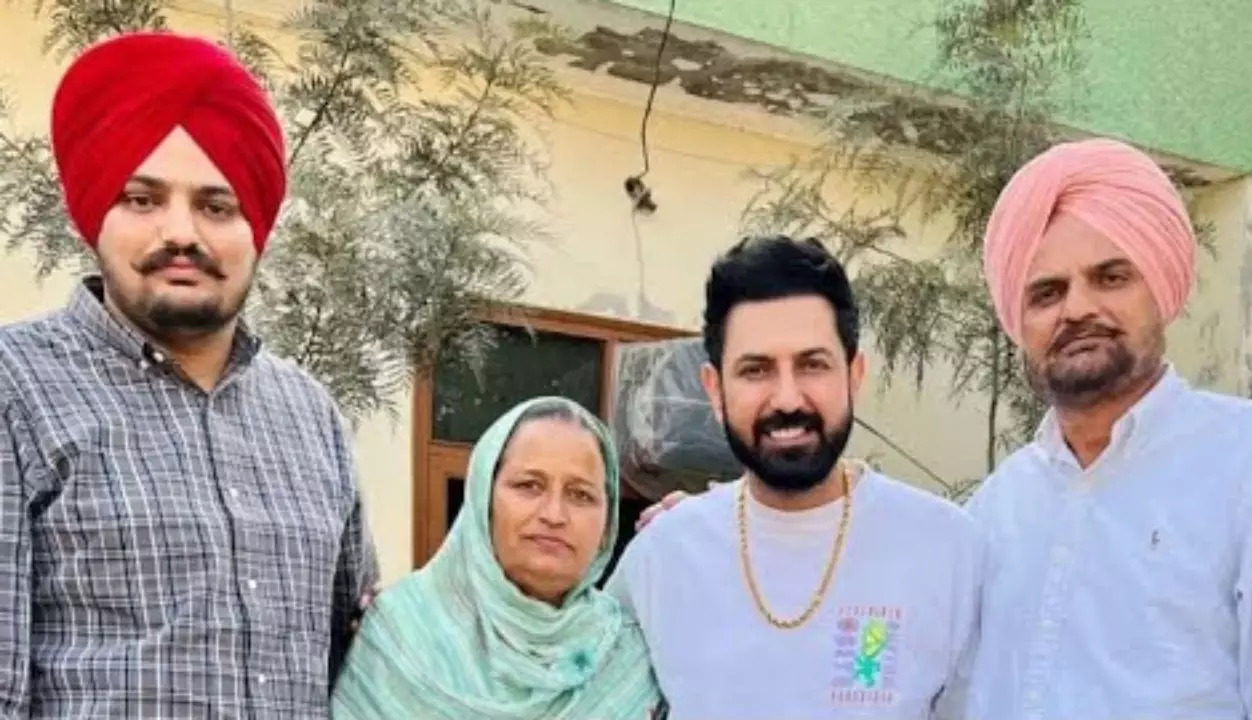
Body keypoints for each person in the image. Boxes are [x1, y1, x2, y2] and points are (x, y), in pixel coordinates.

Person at [0, 32, 377, 717]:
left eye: (216, 205)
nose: (183, 233)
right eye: (143, 200)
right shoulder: (14, 388)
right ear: (95, 216)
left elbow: (361, 668)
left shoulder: (311, 417)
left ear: (254, 226)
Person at [962, 137, 1252, 720]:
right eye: (1047, 293)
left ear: (1160, 290)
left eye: (1110, 278)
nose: (1076, 309)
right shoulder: (992, 511)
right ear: (1019, 322)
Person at [607, 236, 982, 719]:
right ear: (715, 390)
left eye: (812, 365)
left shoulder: (947, 550)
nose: (787, 398)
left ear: (854, 375)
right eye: (756, 369)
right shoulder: (661, 560)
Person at [330, 397, 663, 719]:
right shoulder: (401, 633)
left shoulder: (630, 655)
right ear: (482, 500)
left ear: (607, 525)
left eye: (580, 494)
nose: (554, 514)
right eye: (529, 485)